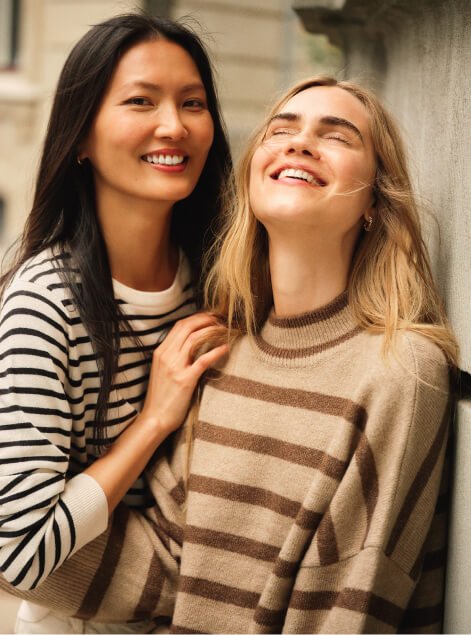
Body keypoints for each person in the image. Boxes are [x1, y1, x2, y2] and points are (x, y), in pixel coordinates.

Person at [145, 75, 457, 633]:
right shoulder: (219, 358)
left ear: (374, 200)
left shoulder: (400, 371)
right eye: (281, 130)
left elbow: (345, 610)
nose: (299, 142)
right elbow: (167, 566)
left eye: (337, 136)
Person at [0, 11, 230, 634]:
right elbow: (19, 553)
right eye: (140, 101)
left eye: (193, 102)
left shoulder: (222, 279)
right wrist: (155, 417)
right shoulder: (45, 304)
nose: (173, 126)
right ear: (80, 137)